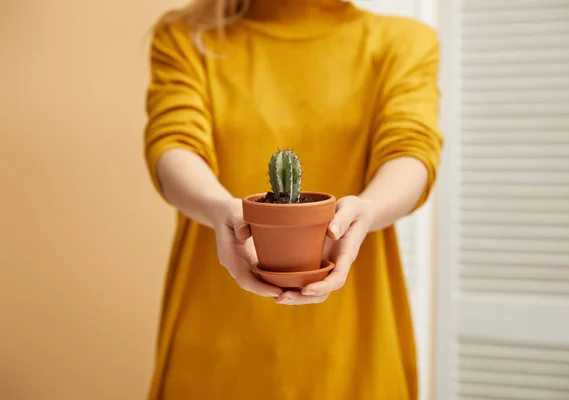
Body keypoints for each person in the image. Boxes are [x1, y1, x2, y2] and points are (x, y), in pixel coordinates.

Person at [143, 0, 443, 398]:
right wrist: (220, 209)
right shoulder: (186, 35)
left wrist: (367, 211)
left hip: (352, 334)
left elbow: (411, 149)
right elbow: (173, 141)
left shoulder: (404, 41)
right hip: (217, 333)